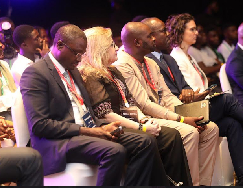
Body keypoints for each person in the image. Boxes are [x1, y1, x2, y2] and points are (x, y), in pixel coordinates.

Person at [20, 24, 169, 186]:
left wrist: (104, 127)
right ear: (60, 45)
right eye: (76, 53)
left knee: (145, 142)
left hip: (85, 132)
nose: (79, 59)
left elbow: (86, 113)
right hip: (59, 142)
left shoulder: (73, 70)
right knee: (114, 151)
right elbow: (39, 125)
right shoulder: (36, 73)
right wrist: (90, 131)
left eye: (82, 54)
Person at [149, 16, 243, 185]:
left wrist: (192, 93)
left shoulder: (171, 58)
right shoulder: (164, 58)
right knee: (227, 100)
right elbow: (164, 95)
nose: (196, 32)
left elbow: (186, 86)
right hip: (179, 109)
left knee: (232, 123)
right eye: (192, 29)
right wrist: (187, 96)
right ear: (180, 32)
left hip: (193, 103)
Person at [79, 26, 192, 186]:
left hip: (126, 121)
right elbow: (106, 115)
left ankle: (180, 183)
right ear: (100, 49)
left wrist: (144, 120)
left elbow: (129, 103)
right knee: (147, 139)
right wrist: (141, 128)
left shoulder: (112, 71)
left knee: (171, 135)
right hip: (110, 125)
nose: (117, 48)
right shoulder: (91, 75)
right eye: (112, 45)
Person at [114, 21, 220, 186]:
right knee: (190, 131)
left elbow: (168, 97)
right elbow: (144, 104)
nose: (154, 38)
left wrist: (187, 112)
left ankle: (202, 183)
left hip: (162, 113)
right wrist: (181, 119)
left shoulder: (150, 62)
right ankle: (189, 183)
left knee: (210, 128)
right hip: (143, 118)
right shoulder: (123, 64)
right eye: (149, 36)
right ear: (137, 42)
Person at [187, 24, 222, 92]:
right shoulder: (192, 50)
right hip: (207, 84)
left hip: (217, 78)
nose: (204, 35)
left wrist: (216, 67)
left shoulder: (206, 48)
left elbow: (219, 63)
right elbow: (204, 70)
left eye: (204, 32)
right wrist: (218, 67)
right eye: (201, 32)